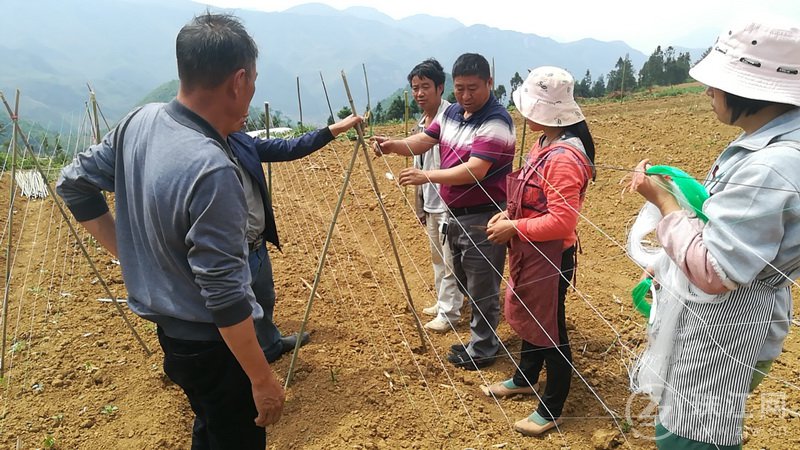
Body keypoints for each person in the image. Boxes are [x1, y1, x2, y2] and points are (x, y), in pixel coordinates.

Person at [56, 13, 283, 448]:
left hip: (172, 335)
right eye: (253, 79)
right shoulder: (212, 169)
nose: (252, 89)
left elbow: (72, 183)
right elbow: (225, 296)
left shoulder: (140, 121)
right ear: (238, 81)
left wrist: (128, 250)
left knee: (209, 425)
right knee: (233, 436)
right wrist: (262, 378)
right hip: (214, 347)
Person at [628, 19, 800, 449]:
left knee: (691, 436)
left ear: (750, 90)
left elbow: (714, 269)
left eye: (716, 83)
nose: (708, 91)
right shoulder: (770, 143)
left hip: (727, 325)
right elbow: (729, 229)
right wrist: (670, 268)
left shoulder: (771, 165)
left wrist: (664, 202)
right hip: (739, 313)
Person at [373, 53, 515, 370]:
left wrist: (428, 176)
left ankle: (483, 348)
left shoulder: (496, 121)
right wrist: (392, 145)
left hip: (484, 214)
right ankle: (479, 340)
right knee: (465, 278)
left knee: (482, 286)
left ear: (489, 83)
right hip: (456, 213)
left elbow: (477, 170)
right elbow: (425, 139)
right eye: (461, 88)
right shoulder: (451, 113)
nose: (465, 96)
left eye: (473, 89)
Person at [484, 67, 596, 436]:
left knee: (551, 330)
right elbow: (534, 199)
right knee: (532, 320)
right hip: (531, 251)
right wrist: (510, 213)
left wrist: (513, 227)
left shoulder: (563, 157)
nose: (524, 114)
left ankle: (552, 408)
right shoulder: (545, 141)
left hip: (550, 257)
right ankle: (524, 378)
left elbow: (562, 223)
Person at [228, 114, 362, 362]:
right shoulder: (202, 151)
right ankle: (242, 365)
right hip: (231, 253)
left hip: (256, 244)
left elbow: (289, 147)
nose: (246, 113)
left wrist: (334, 129)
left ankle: (270, 346)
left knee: (264, 299)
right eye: (240, 105)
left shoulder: (239, 141)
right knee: (236, 311)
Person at [403, 58, 462, 333]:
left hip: (449, 202)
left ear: (440, 88)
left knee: (451, 260)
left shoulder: (453, 119)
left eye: (425, 87)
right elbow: (419, 164)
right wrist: (421, 206)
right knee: (438, 257)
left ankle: (450, 312)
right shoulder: (421, 123)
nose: (419, 93)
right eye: (415, 88)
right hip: (431, 200)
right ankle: (443, 302)